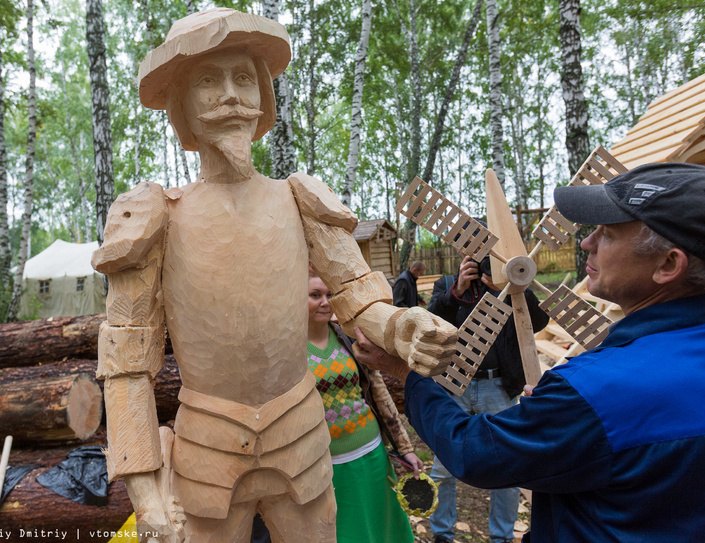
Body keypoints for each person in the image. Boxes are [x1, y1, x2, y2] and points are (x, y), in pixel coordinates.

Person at [92, 8, 458, 543]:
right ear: (181, 105)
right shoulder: (156, 215)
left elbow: (356, 292)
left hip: (303, 437)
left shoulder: (298, 197)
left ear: (264, 95)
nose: (230, 95)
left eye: (244, 78)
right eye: (208, 81)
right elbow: (127, 360)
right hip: (205, 452)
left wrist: (400, 326)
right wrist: (145, 492)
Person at [352, 162, 705, 542]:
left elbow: (474, 452)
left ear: (669, 264)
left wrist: (408, 374)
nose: (587, 242)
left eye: (607, 233)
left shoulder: (594, 391)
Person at [426, 257, 548, 543]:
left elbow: (539, 322)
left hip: (498, 386)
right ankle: (442, 533)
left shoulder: (508, 285)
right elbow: (430, 325)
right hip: (454, 385)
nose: (480, 263)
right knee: (442, 467)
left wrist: (517, 288)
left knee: (505, 466)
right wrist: (455, 291)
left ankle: (501, 537)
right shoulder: (446, 285)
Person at [308, 271, 423, 543]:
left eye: (329, 295)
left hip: (372, 453)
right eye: (315, 296)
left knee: (384, 527)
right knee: (348, 533)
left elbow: (380, 394)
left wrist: (404, 448)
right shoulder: (289, 352)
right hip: (328, 467)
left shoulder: (347, 338)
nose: (325, 302)